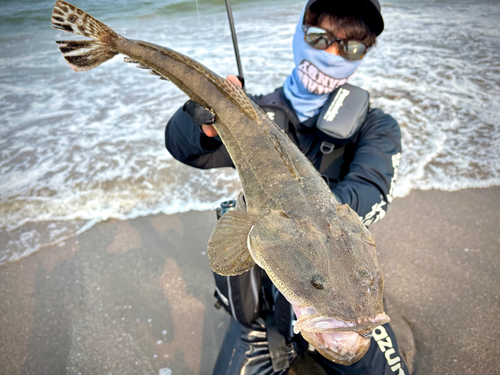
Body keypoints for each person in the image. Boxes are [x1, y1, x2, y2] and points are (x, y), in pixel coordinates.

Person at [165, 0, 408, 374]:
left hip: (342, 297)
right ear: (299, 34)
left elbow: (371, 193)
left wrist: (302, 230)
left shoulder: (377, 127)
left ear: (365, 54)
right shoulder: (255, 115)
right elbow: (186, 151)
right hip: (265, 295)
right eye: (319, 36)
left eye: (351, 46)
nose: (332, 54)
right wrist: (201, 127)